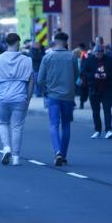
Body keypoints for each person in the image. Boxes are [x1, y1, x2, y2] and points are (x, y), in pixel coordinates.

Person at [0, 33, 34, 166]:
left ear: (6, 43)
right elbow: (32, 80)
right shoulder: (27, 60)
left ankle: (6, 147)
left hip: (3, 96)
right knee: (17, 127)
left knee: (2, 123)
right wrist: (29, 96)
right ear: (18, 43)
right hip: (20, 97)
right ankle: (16, 157)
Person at [37, 32, 78, 166]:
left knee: (54, 124)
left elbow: (40, 79)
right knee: (66, 125)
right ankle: (64, 155)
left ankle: (57, 152)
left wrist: (45, 92)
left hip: (53, 96)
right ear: (67, 42)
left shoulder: (47, 57)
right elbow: (76, 74)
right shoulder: (72, 56)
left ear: (54, 41)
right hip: (68, 96)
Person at [82, 44, 112, 139]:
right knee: (95, 111)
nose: (99, 55)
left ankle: (108, 130)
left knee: (107, 110)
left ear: (103, 52)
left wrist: (107, 75)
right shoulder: (89, 60)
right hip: (94, 89)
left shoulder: (109, 60)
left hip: (107, 89)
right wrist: (94, 75)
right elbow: (84, 71)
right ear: (94, 53)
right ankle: (97, 130)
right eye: (97, 53)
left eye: (100, 53)